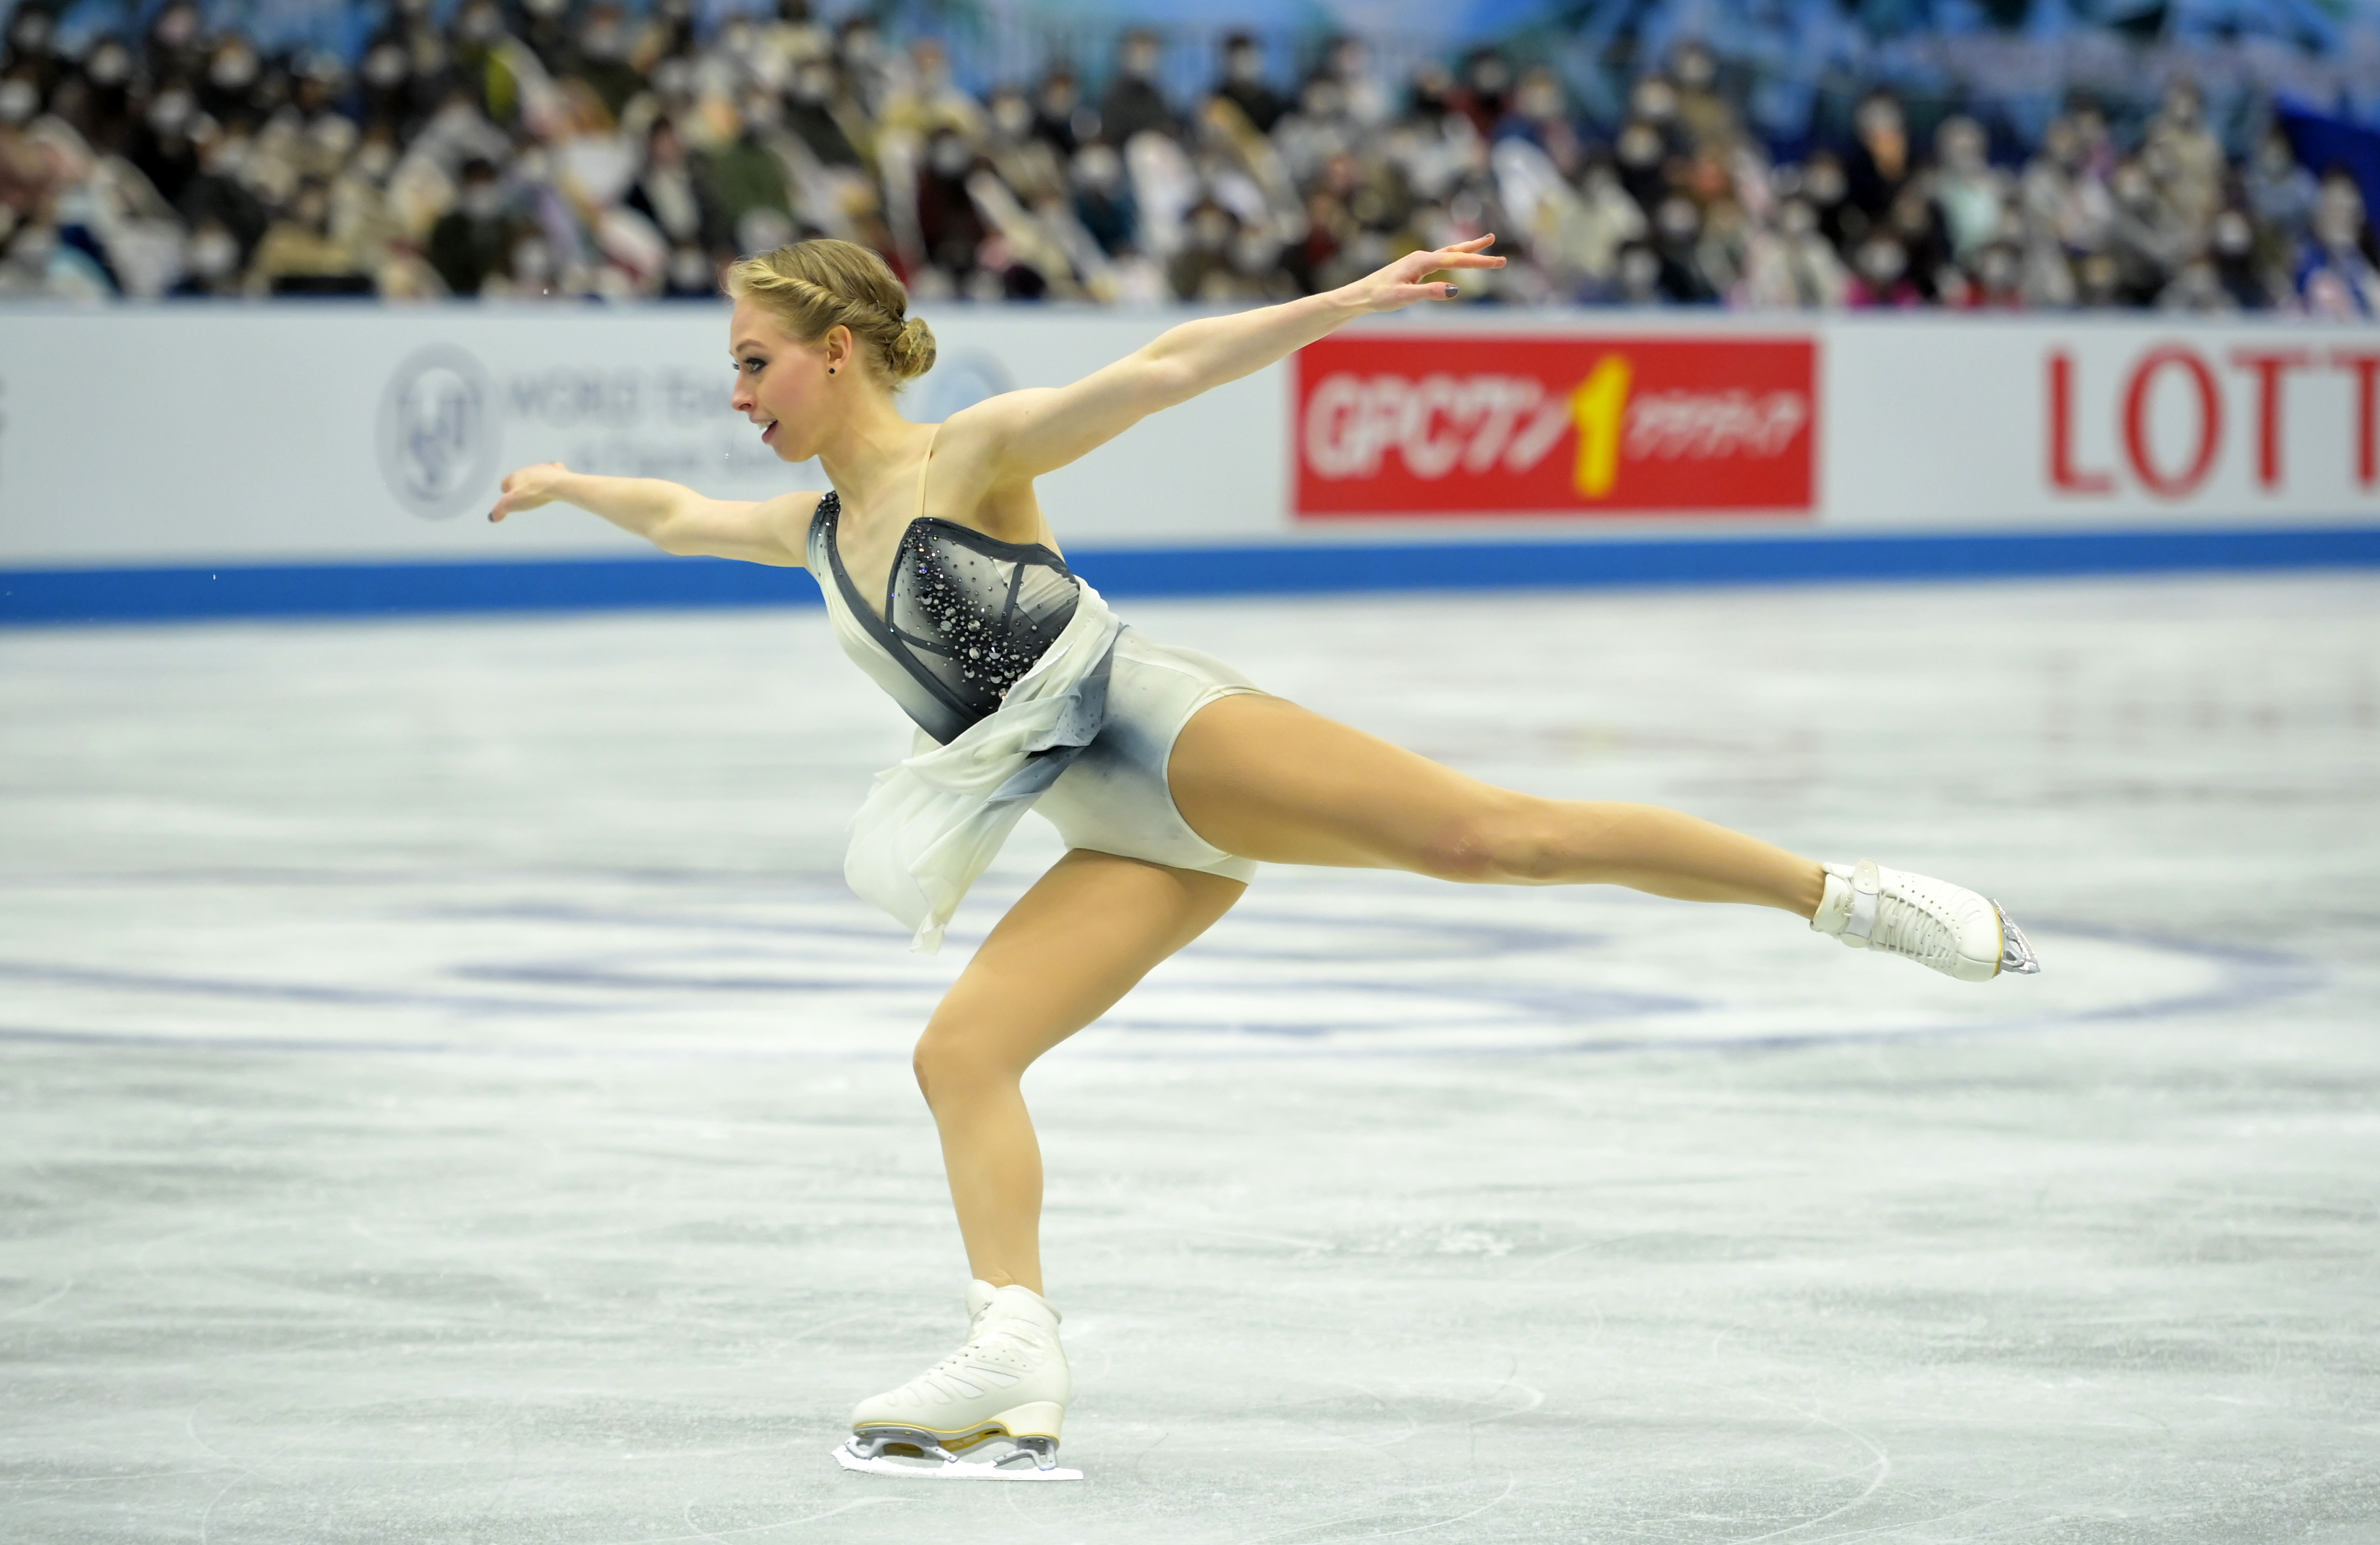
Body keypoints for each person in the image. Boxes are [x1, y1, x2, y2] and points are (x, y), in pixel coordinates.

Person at [486, 235, 2039, 1482]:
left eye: (753, 363)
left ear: (836, 352)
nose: (738, 394)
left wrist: (1353, 300)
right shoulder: (810, 530)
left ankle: (1843, 895)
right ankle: (1012, 1346)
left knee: (1494, 838)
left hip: (1165, 737)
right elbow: (679, 511)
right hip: (1110, 831)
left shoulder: (970, 455)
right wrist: (567, 486)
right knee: (960, 1052)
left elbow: (1166, 370)